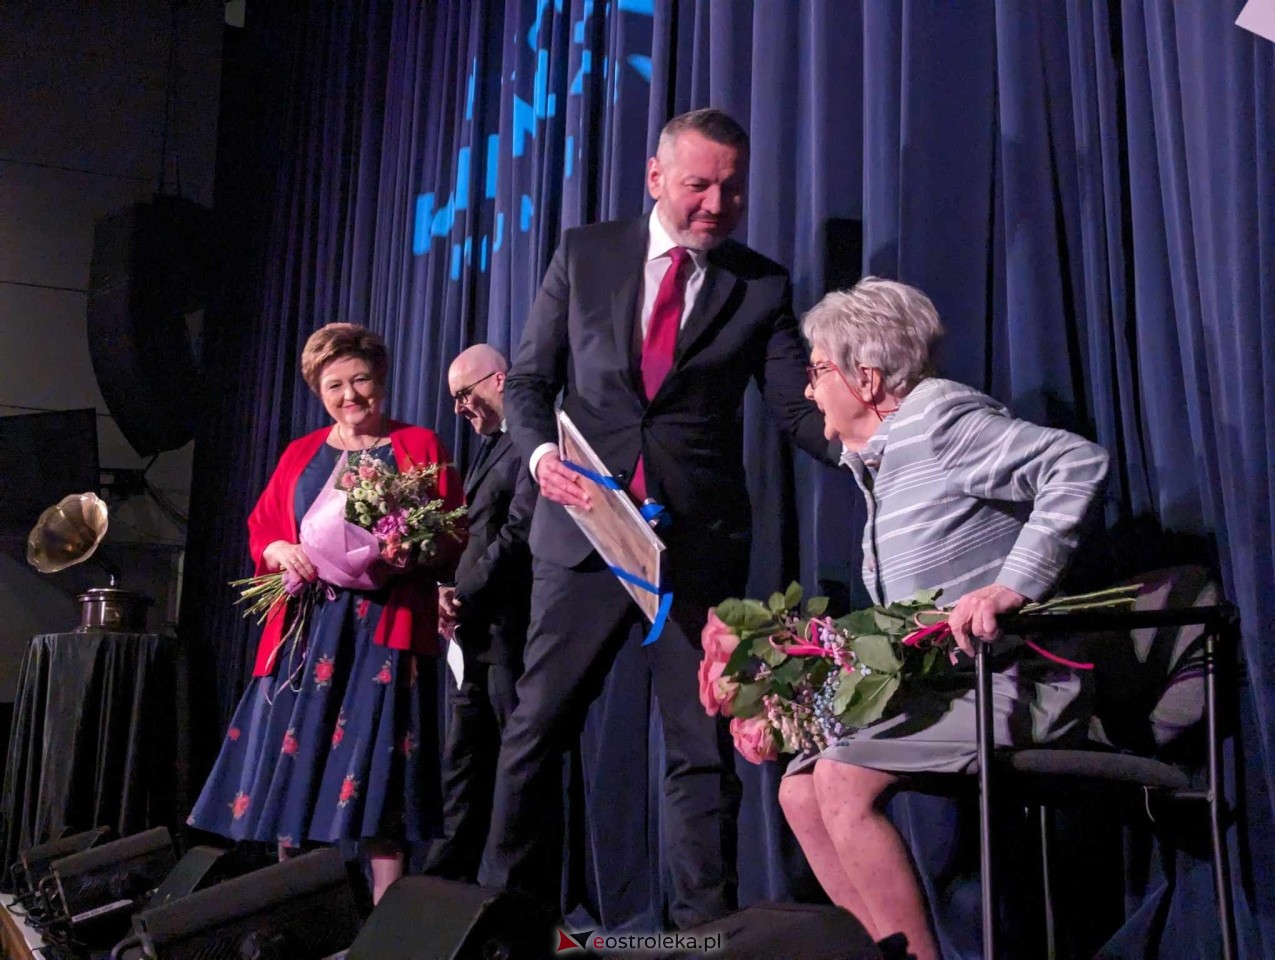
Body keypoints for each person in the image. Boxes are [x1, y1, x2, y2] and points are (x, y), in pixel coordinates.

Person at [489, 107, 832, 928]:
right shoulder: (586, 254)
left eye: (732, 189)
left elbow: (795, 410)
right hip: (584, 536)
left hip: (694, 550)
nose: (716, 204)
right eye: (698, 185)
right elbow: (528, 382)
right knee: (537, 730)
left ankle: (702, 934)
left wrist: (878, 446)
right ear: (654, 178)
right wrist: (539, 459)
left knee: (700, 749)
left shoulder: (760, 285)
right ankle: (503, 922)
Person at [778, 279, 1110, 960]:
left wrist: (1012, 587)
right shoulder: (881, 460)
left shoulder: (938, 423)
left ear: (866, 379)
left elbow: (1077, 464)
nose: (810, 391)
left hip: (1015, 682)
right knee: (800, 790)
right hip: (951, 688)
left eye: (818, 371)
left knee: (840, 779)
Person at [187, 323, 465, 904]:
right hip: (306, 633)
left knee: (381, 782)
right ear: (319, 392)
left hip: (384, 632)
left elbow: (452, 530)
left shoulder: (419, 445)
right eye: (334, 385)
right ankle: (305, 914)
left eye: (360, 379)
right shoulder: (301, 454)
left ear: (380, 378)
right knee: (296, 774)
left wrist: (411, 550)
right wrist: (278, 549)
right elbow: (263, 527)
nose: (349, 395)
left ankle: (385, 924)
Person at [423, 344, 535, 882]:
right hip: (472, 631)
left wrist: (462, 593)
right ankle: (444, 882)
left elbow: (518, 534)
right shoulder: (490, 447)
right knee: (462, 762)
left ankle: (510, 887)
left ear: (498, 379)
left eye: (463, 394)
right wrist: (445, 589)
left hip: (509, 630)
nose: (458, 409)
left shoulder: (530, 441)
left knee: (514, 764)